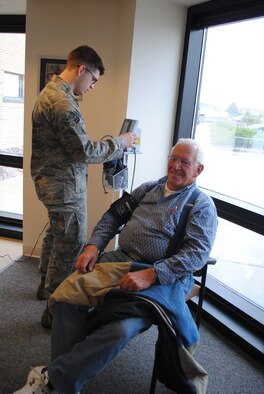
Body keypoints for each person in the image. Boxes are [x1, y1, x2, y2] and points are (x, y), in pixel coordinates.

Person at [15, 139, 218, 394]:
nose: (176, 166)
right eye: (173, 158)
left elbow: (197, 254)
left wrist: (153, 273)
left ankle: (54, 382)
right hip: (120, 260)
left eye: (185, 162)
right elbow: (112, 218)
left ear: (198, 170)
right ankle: (64, 381)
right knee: (66, 298)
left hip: (162, 278)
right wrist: (94, 246)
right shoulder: (146, 190)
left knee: (121, 328)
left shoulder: (200, 205)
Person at [30, 45, 137, 325]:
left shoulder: (51, 92)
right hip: (63, 188)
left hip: (52, 182)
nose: (92, 87)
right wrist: (121, 143)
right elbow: (85, 151)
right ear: (81, 70)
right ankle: (54, 311)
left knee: (57, 235)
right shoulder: (63, 103)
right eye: (93, 80)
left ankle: (44, 285)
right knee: (71, 244)